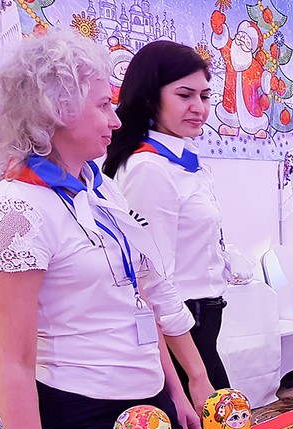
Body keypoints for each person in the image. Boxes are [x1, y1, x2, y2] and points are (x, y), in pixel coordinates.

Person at [0, 30, 213, 429]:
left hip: (147, 401)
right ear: (55, 111)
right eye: (103, 105)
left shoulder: (97, 186)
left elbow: (136, 296)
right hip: (82, 414)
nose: (116, 119)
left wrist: (173, 388)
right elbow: (14, 363)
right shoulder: (17, 208)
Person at [103, 41, 230, 397]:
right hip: (180, 329)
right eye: (184, 95)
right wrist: (195, 372)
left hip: (202, 320)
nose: (199, 108)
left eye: (205, 96)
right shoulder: (149, 169)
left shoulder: (182, 159)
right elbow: (152, 277)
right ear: (150, 98)